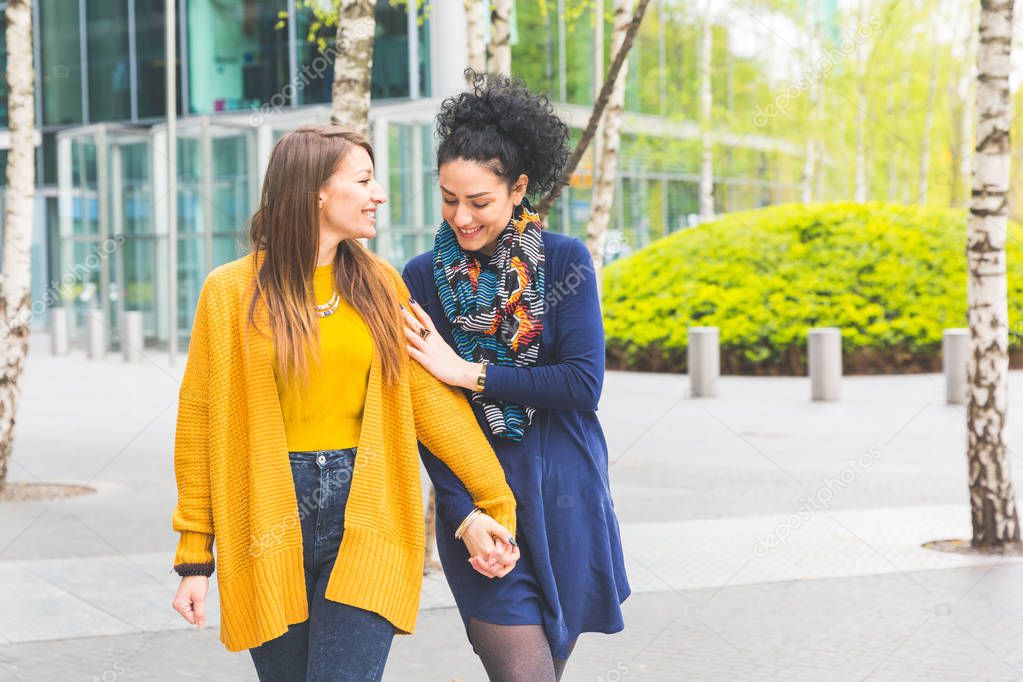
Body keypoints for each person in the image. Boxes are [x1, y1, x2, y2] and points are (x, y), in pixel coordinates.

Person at [169, 124, 520, 682]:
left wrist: (493, 500)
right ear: (315, 192)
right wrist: (194, 559)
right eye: (363, 180)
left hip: (369, 510)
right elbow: (198, 424)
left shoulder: (381, 284)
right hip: (265, 517)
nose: (379, 193)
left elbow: (430, 401)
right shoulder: (229, 292)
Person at [401, 73, 630, 682]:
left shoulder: (565, 260)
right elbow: (425, 417)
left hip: (566, 494)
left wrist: (469, 372)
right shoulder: (420, 278)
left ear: (519, 187)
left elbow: (582, 384)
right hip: (479, 506)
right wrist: (461, 515)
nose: (460, 217)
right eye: (449, 198)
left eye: (479, 201)